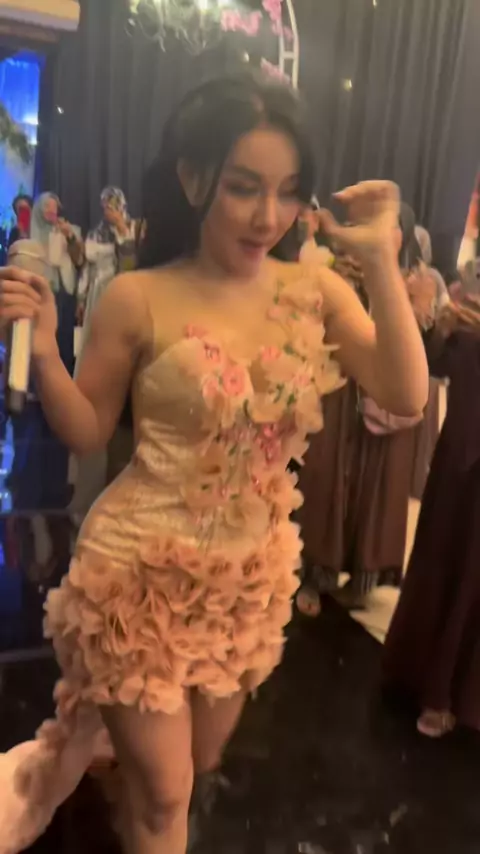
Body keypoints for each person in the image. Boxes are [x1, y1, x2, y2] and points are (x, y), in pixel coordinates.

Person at [0, 70, 427, 854]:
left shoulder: (314, 291)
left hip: (246, 581)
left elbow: (404, 391)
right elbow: (89, 430)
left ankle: (114, 770)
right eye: (243, 187)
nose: (269, 216)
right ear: (194, 178)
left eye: (288, 191)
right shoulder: (139, 296)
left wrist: (379, 259)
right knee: (168, 795)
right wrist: (47, 354)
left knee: (195, 764)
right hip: (137, 573)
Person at [297, 204, 425, 614]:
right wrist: (341, 285)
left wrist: (393, 292)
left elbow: (420, 349)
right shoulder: (333, 271)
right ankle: (314, 575)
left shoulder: (415, 282)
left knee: (375, 493)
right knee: (325, 481)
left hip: (387, 405)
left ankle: (362, 579)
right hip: (338, 391)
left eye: (391, 228)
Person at [383, 297, 480, 738]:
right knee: (444, 559)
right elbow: (434, 365)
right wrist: (435, 328)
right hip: (460, 460)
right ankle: (425, 679)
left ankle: (454, 693)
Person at [71, 188, 141, 522]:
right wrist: (81, 299)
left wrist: (121, 230)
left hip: (121, 295)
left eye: (112, 205)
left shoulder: (133, 229)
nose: (107, 210)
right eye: (104, 205)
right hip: (97, 294)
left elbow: (131, 263)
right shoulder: (96, 232)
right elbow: (84, 265)